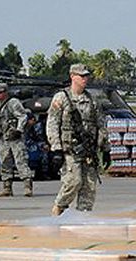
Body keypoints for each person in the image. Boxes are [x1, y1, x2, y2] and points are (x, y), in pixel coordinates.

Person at [47, 64, 110, 215]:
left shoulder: (91, 100)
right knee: (74, 181)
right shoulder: (61, 98)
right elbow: (52, 123)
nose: (85, 79)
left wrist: (106, 148)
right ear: (72, 76)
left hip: (89, 150)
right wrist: (55, 148)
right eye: (81, 76)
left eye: (86, 76)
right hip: (70, 149)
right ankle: (59, 207)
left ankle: (83, 216)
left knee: (89, 186)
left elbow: (101, 124)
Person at [0, 82, 34, 197]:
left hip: (15, 137)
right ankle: (7, 187)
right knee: (4, 161)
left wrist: (19, 130)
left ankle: (27, 186)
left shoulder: (13, 103)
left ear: (6, 93)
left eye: (1, 92)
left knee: (20, 160)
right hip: (3, 137)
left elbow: (22, 116)